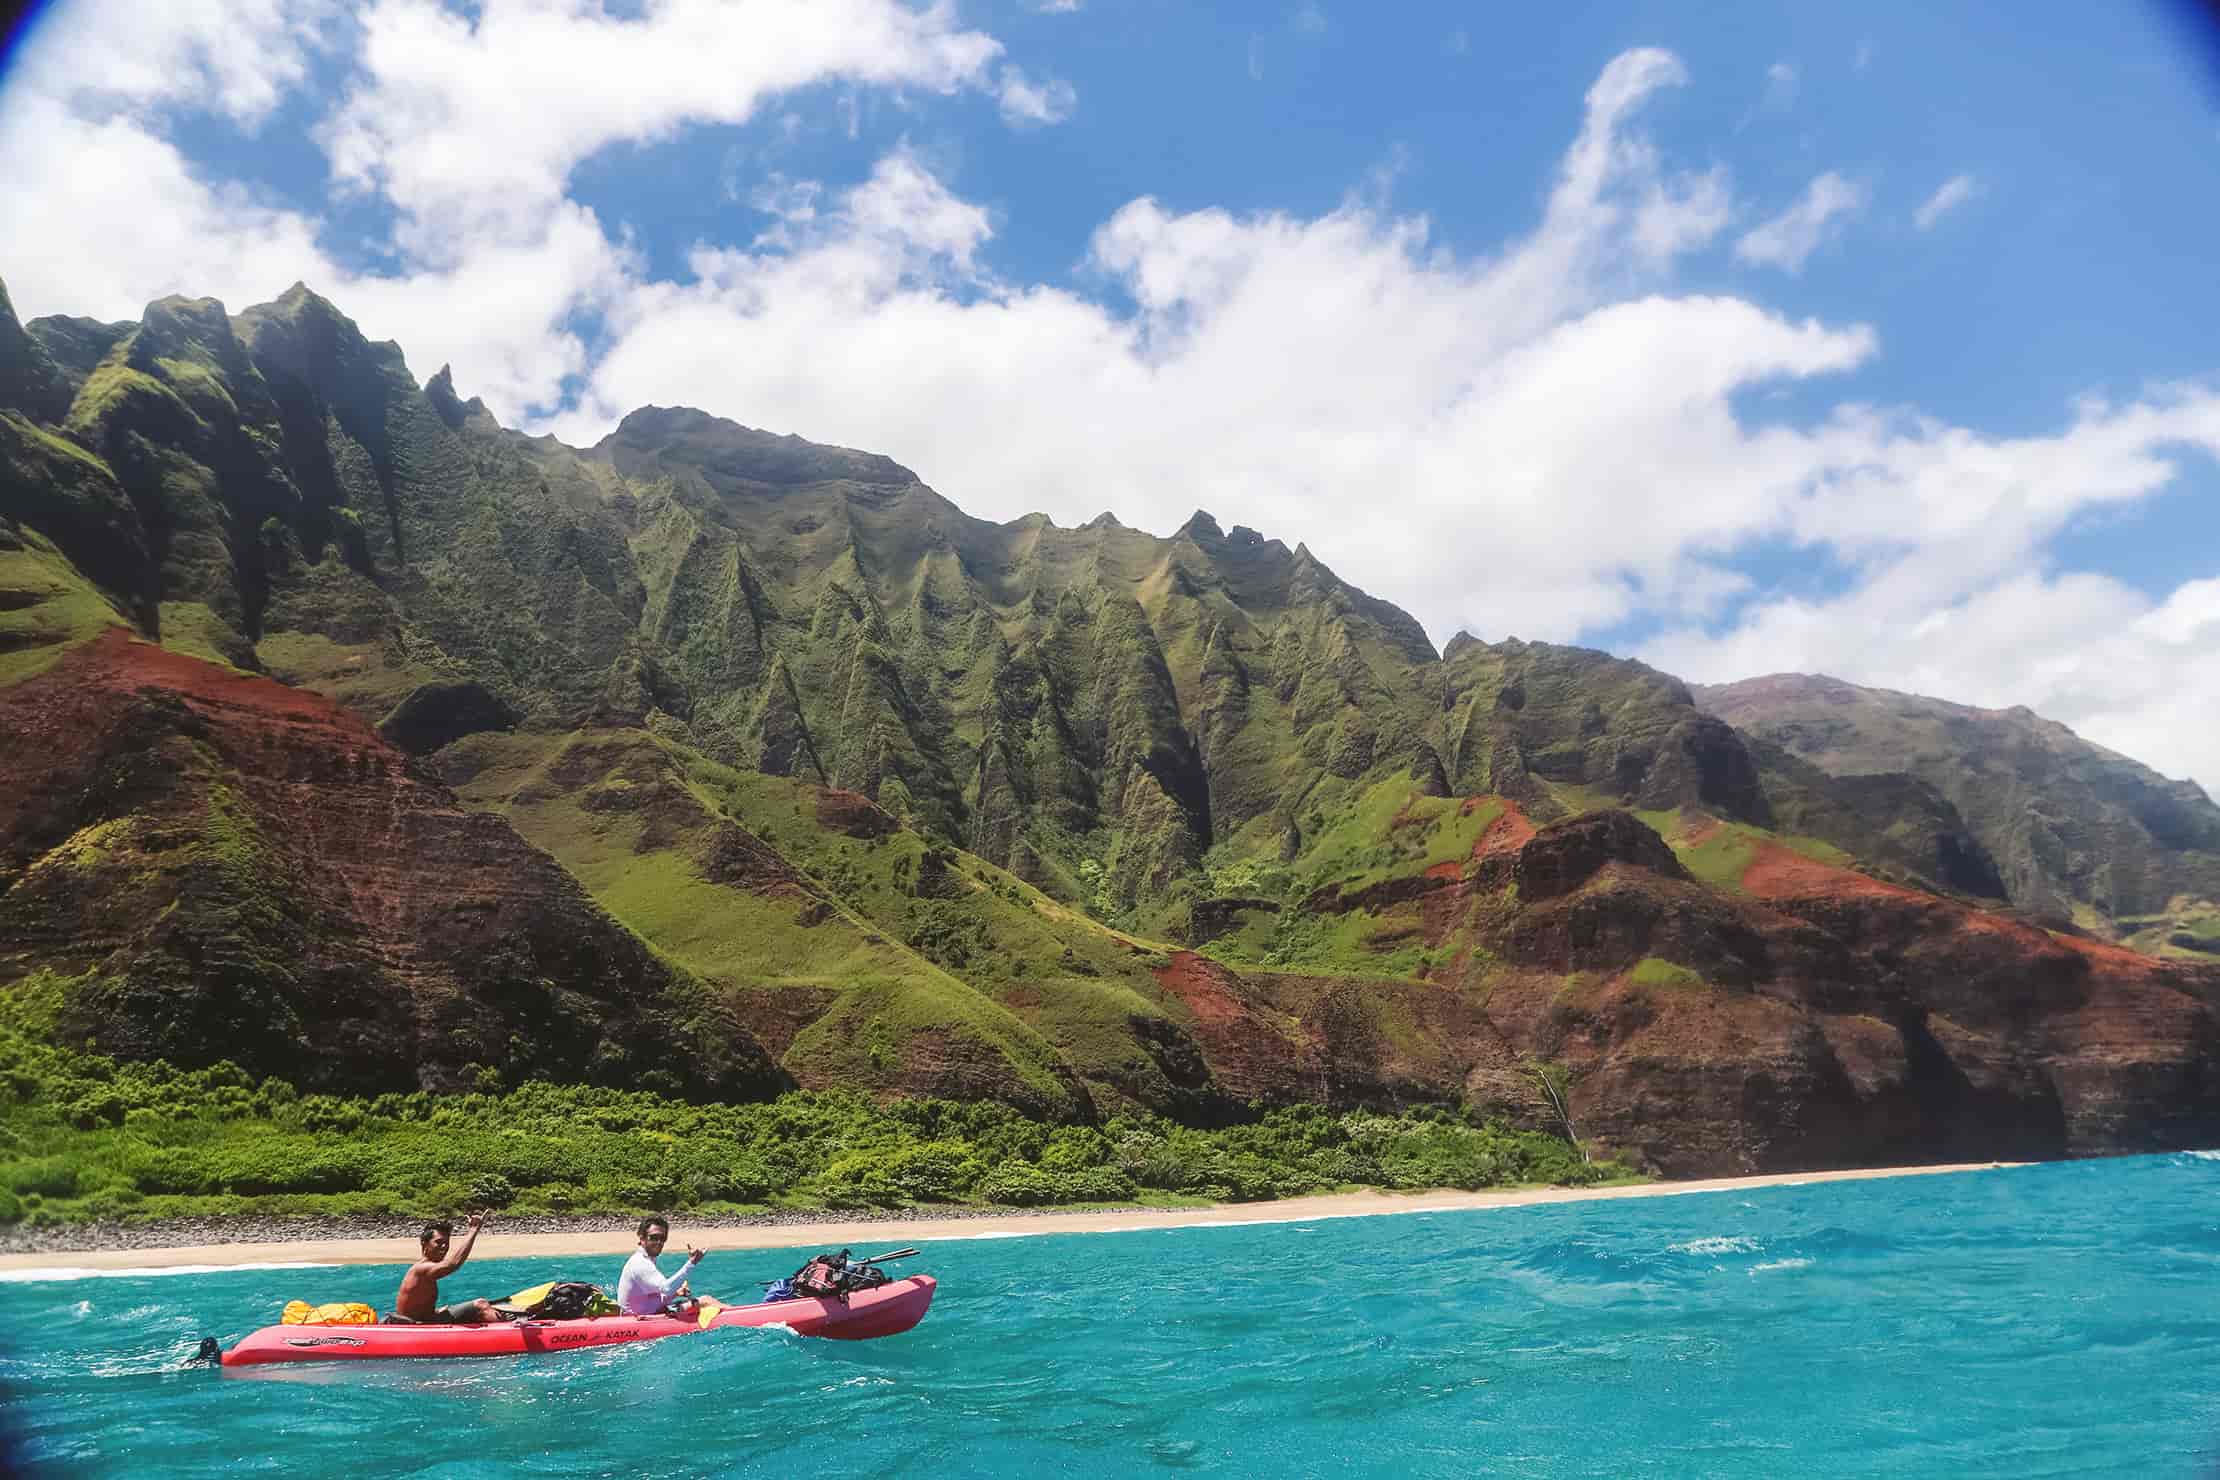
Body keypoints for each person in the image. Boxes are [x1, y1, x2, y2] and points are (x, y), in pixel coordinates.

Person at [389, 1211, 499, 1324]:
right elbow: (453, 1264)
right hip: (416, 1326)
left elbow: (416, 1306)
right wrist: (473, 1229)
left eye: (446, 1243)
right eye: (438, 1242)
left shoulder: (422, 1268)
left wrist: (435, 1312)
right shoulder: (422, 1269)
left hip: (425, 1318)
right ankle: (508, 1333)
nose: (444, 1246)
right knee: (481, 1304)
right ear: (424, 1243)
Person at [617, 1215, 707, 1316]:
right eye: (654, 1237)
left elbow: (652, 1296)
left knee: (703, 1303)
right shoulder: (640, 1263)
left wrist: (676, 1293)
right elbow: (667, 1289)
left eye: (662, 1238)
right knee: (706, 1301)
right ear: (642, 1238)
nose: (659, 1242)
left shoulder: (646, 1258)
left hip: (647, 1312)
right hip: (638, 1320)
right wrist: (691, 1263)